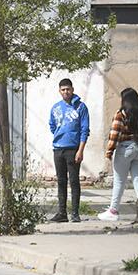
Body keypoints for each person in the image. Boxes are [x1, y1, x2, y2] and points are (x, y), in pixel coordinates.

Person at [100, 87, 138, 222]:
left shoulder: (121, 114)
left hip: (125, 149)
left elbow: (115, 134)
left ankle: (113, 210)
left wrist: (109, 152)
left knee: (119, 181)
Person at [49, 77, 90, 222]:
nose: (66, 92)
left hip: (73, 149)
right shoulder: (56, 108)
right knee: (61, 181)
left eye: (68, 89)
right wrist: (60, 137)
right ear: (59, 91)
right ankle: (62, 213)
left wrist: (80, 150)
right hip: (58, 149)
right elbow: (52, 126)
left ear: (72, 90)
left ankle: (75, 213)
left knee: (74, 181)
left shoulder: (80, 107)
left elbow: (85, 129)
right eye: (63, 89)